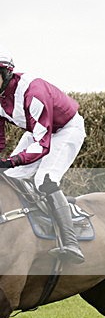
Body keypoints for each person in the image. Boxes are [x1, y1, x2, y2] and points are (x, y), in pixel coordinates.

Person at [0, 47, 86, 263]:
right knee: (10, 178)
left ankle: (71, 242)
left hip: (66, 129)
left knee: (44, 180)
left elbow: (43, 145)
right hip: (38, 132)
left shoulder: (33, 92)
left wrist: (10, 161)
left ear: (5, 73)